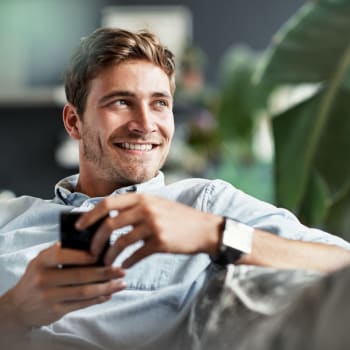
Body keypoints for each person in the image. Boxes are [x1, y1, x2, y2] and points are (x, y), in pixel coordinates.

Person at [0, 27, 349, 350]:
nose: (145, 124)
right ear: (74, 121)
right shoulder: (9, 220)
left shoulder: (204, 204)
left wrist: (217, 232)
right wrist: (15, 310)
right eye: (121, 102)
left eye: (159, 103)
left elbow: (342, 264)